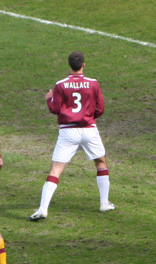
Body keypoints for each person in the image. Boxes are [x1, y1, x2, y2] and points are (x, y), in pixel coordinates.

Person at [29, 51, 116, 221]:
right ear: (83, 64)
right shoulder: (93, 83)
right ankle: (104, 203)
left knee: (55, 170)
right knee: (100, 162)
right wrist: (89, 117)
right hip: (89, 129)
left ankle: (43, 208)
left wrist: (49, 98)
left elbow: (54, 109)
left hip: (68, 131)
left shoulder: (60, 85)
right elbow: (101, 109)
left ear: (69, 65)